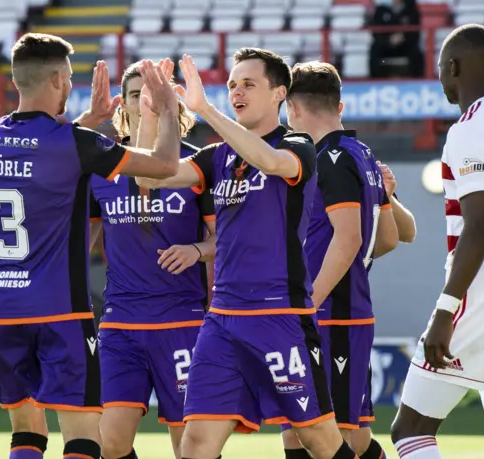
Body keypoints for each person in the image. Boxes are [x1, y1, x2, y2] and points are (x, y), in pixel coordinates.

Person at [136, 50, 357, 459]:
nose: (237, 92)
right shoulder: (215, 156)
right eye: (233, 85)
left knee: (319, 440)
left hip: (280, 318)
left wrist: (205, 110)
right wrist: (156, 115)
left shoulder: (298, 145)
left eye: (248, 84)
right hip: (222, 321)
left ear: (279, 94)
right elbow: (150, 176)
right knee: (196, 444)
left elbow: (270, 161)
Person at [0, 33, 181, 459]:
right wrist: (169, 109)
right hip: (58, 309)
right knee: (84, 434)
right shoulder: (76, 144)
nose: (69, 85)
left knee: (26, 432)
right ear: (55, 80)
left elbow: (38, 149)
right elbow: (162, 166)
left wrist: (85, 121)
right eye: (67, 78)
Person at [391, 24, 484, 458]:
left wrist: (445, 309)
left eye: (441, 68)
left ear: (452, 67)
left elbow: (479, 227)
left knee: (410, 430)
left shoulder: (469, 129)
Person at [82, 59, 216, 459]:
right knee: (109, 442)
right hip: (120, 324)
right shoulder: (101, 171)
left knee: (189, 446)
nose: (146, 104)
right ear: (124, 104)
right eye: (137, 96)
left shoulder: (197, 165)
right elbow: (81, 244)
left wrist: (197, 250)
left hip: (184, 322)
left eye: (154, 95)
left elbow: (227, 240)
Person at [280, 61, 400, 459]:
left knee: (335, 437)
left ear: (292, 109)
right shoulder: (361, 154)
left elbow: (350, 239)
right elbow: (389, 238)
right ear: (340, 106)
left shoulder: (329, 159)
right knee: (303, 433)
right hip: (334, 311)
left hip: (332, 315)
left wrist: (308, 302)